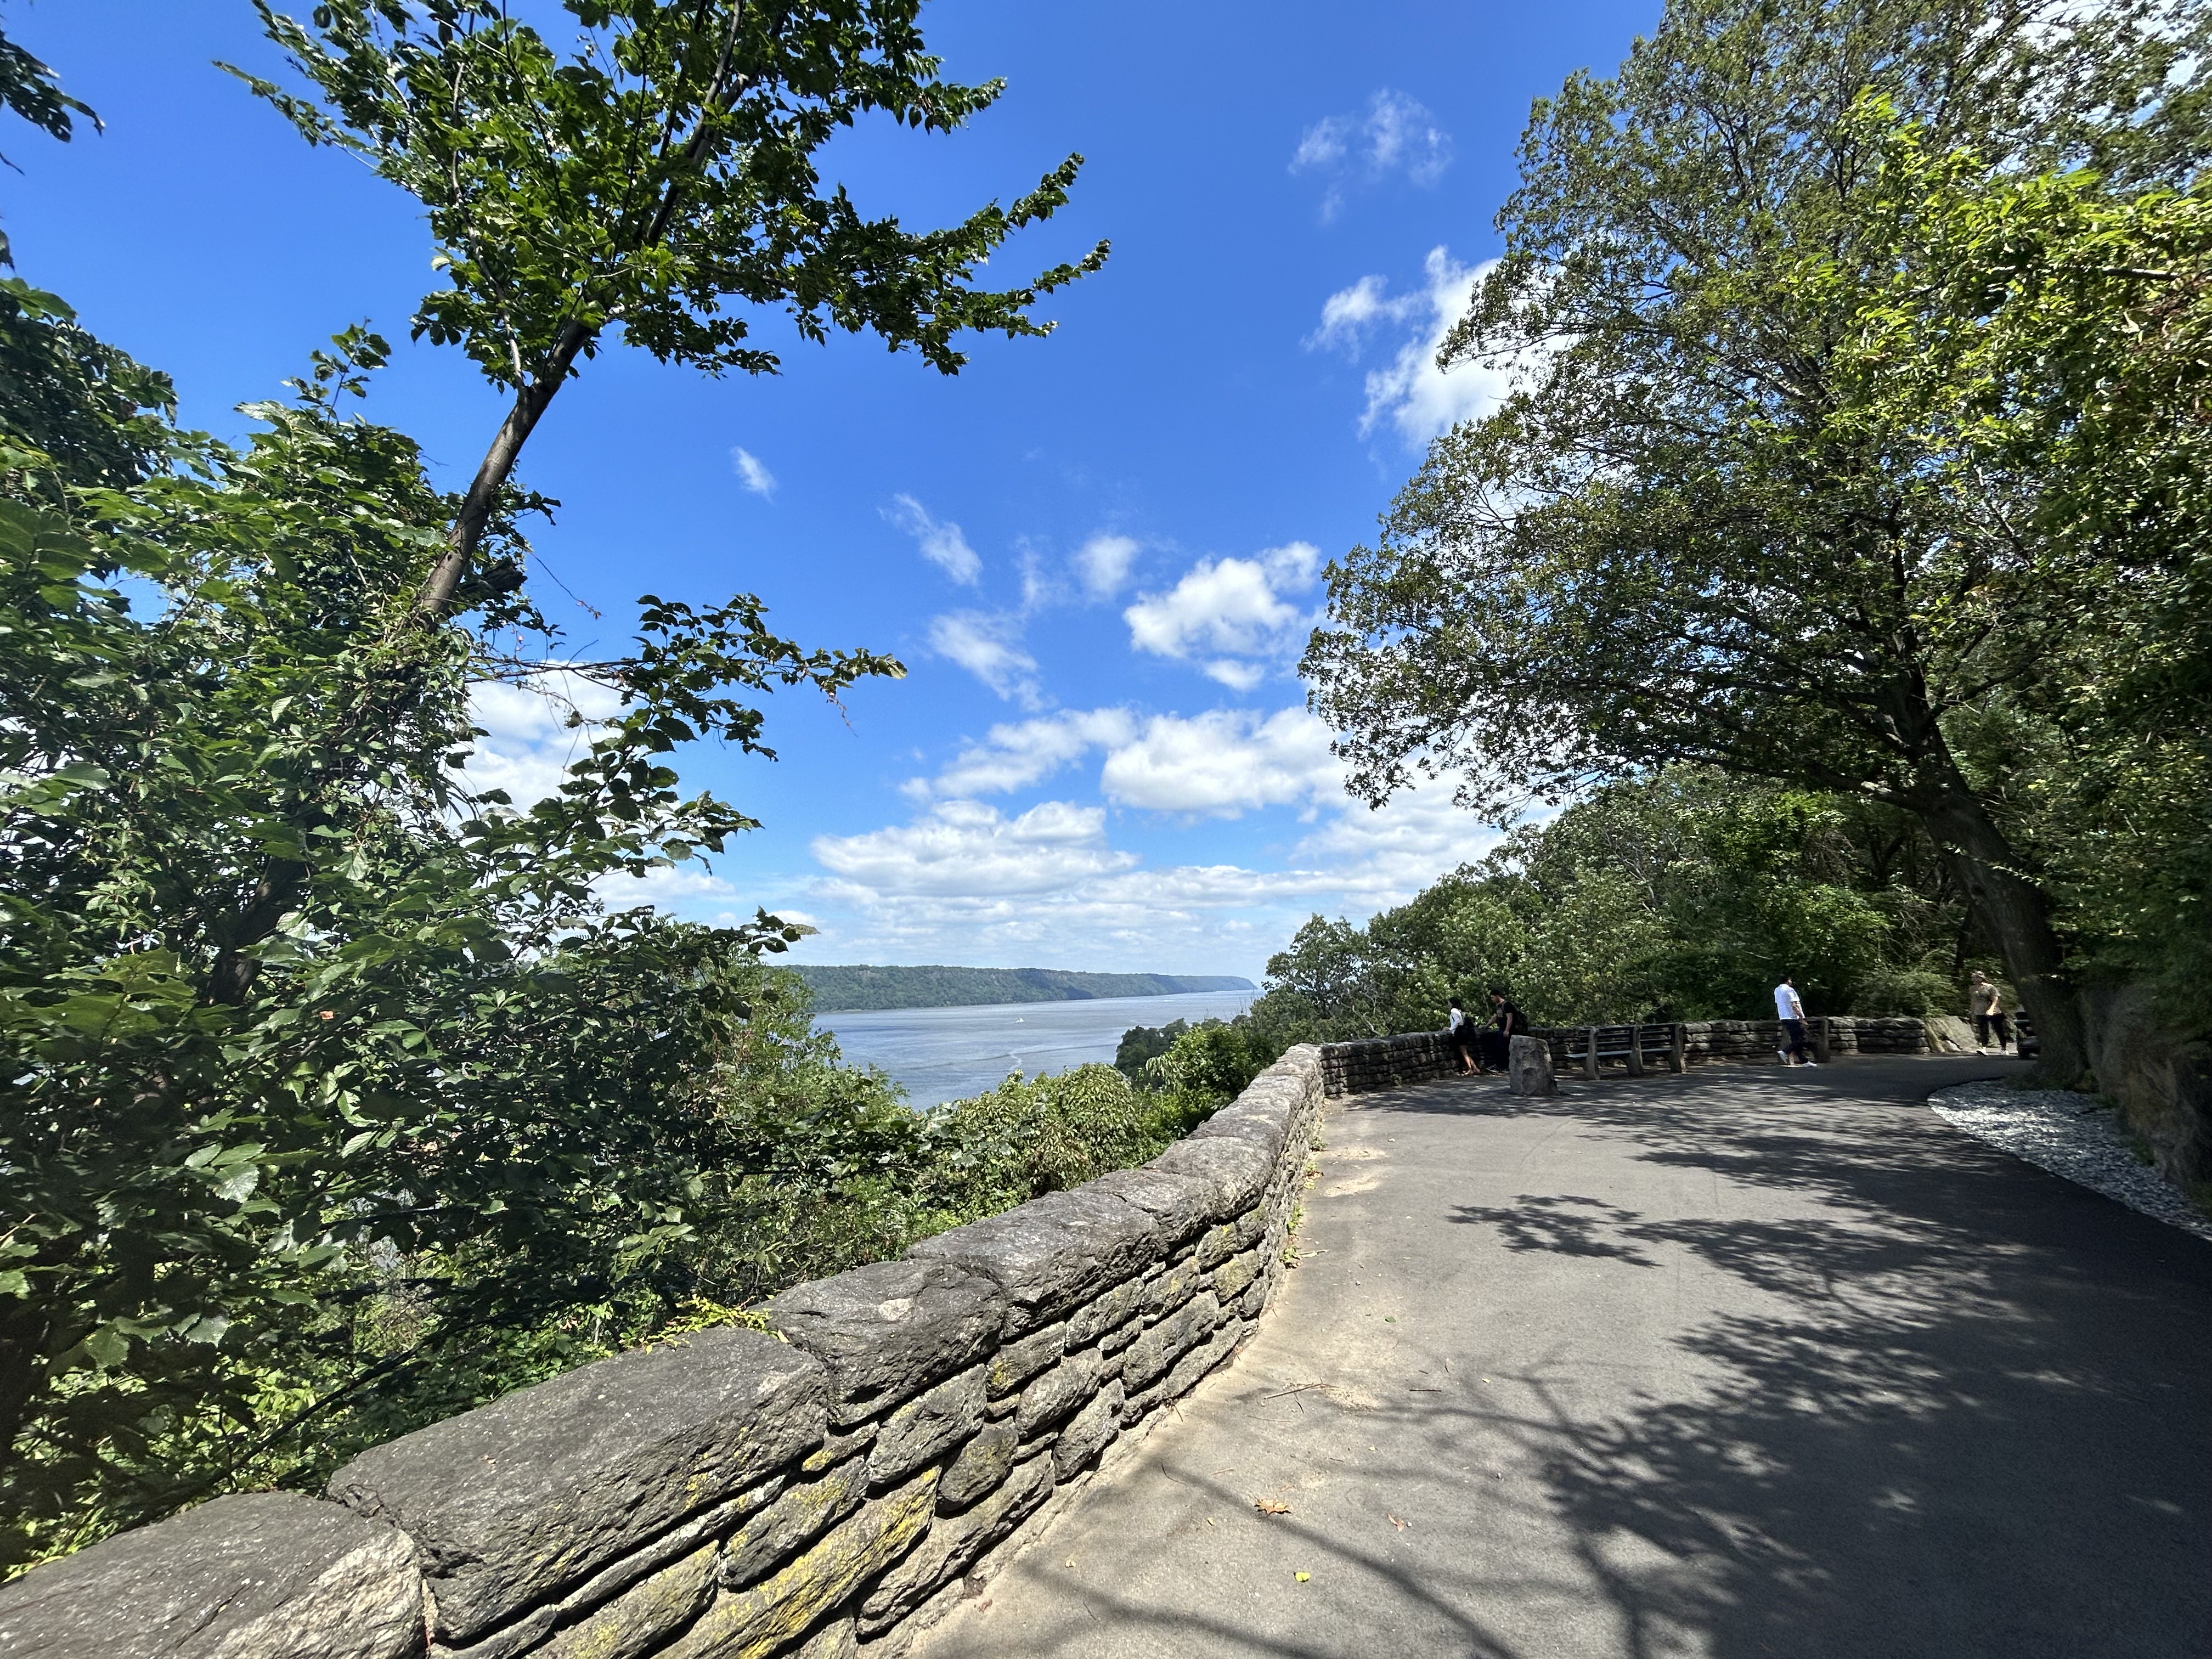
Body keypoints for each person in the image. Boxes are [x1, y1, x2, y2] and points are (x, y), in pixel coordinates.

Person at [1773, 975, 1817, 1066]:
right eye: (1790, 980)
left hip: (1783, 1017)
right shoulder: (1790, 990)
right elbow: (1794, 1005)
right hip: (1792, 1018)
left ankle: (1804, 1061)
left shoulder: (1777, 990)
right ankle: (1785, 1052)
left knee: (1796, 1040)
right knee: (1802, 1039)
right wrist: (1801, 1016)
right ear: (1788, 981)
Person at [1967, 970, 2012, 1053]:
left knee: (1998, 1029)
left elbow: (1995, 999)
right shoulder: (1973, 988)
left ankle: (2004, 1048)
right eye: (1972, 978)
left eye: (1975, 978)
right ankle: (1984, 1048)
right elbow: (1973, 1000)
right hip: (1979, 1011)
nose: (1973, 979)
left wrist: (1991, 1009)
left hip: (1993, 1012)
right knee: (1983, 1030)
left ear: (1980, 978)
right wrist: (1972, 1010)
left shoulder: (1990, 987)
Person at [1483, 988, 1526, 1073]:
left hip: (1510, 1030)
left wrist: (1507, 1030)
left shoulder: (1506, 1005)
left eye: (1493, 997)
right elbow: (1495, 1017)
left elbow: (1510, 1018)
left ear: (1497, 996)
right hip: (1501, 1029)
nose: (1492, 1000)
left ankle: (1503, 1067)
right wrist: (1487, 1025)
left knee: (1504, 1049)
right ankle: (1500, 1066)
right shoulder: (1498, 1006)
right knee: (1499, 1047)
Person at [1447, 994, 1477, 1075]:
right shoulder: (1461, 1011)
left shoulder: (1453, 1011)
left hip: (1459, 1033)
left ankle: (1470, 1069)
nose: (1448, 1005)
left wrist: (1450, 1029)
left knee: (1464, 1052)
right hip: (1465, 1032)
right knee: (1465, 1052)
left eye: (1449, 1003)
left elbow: (1457, 1022)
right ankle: (1476, 1068)